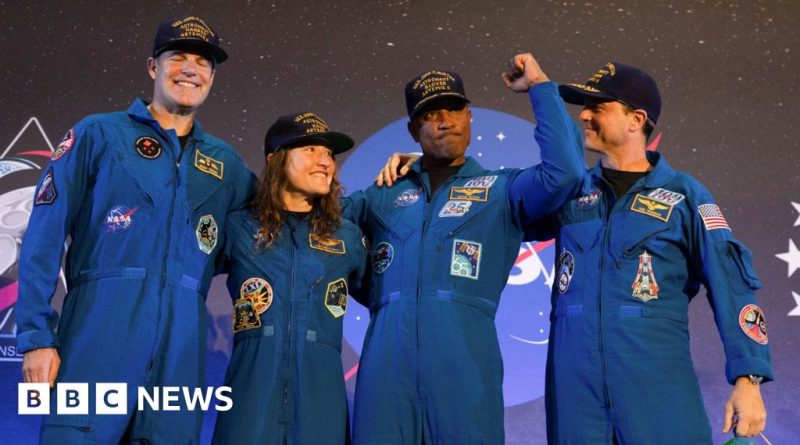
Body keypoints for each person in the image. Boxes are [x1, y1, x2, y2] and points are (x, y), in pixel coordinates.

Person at [17, 16, 254, 443]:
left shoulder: (226, 163)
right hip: (99, 329)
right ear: (152, 67)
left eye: (202, 63)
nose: (189, 70)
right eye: (177, 58)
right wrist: (35, 337)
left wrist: (414, 167)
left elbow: (286, 212)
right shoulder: (98, 134)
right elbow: (43, 235)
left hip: (181, 346)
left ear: (212, 77)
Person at [344, 55, 584, 444]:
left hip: (465, 369)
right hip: (385, 372)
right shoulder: (382, 195)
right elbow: (320, 224)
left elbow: (566, 173)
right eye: (431, 114)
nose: (445, 120)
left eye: (454, 109)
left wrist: (540, 87)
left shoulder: (500, 190)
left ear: (470, 116)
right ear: (412, 129)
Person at [534, 62, 773, 444]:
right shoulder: (569, 194)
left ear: (636, 119)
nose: (583, 115)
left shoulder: (684, 196)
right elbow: (493, 212)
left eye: (598, 106)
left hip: (657, 387)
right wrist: (431, 171)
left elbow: (733, 286)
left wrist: (749, 378)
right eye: (584, 105)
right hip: (574, 393)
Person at [212, 112, 367, 445]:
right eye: (311, 150)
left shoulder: (349, 237)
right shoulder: (238, 227)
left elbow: (390, 298)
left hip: (321, 400)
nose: (325, 161)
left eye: (329, 153)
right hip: (250, 394)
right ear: (275, 159)